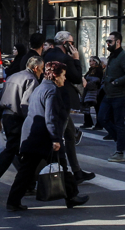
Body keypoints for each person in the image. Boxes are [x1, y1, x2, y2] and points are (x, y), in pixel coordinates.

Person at [6, 61, 89, 211]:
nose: (65, 79)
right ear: (56, 76)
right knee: (33, 169)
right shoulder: (51, 91)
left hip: (33, 135)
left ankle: (71, 197)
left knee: (35, 169)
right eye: (63, 75)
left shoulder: (40, 88)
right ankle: (13, 201)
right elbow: (50, 117)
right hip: (42, 137)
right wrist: (55, 139)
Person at [0, 56, 44, 202]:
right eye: (42, 69)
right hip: (18, 119)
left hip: (7, 117)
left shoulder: (13, 76)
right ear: (36, 68)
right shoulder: (31, 80)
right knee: (13, 152)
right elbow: (27, 105)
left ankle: (28, 183)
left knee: (18, 152)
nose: (42, 72)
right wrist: (32, 124)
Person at [42, 31, 94, 181]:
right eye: (71, 43)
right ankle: (60, 172)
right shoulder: (66, 58)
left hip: (48, 95)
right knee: (57, 137)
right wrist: (76, 59)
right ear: (65, 44)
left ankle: (76, 171)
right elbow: (77, 77)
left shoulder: (49, 54)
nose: (73, 45)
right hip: (61, 100)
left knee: (70, 134)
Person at [100, 31, 125, 162]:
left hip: (121, 95)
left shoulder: (124, 56)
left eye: (110, 41)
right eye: (107, 41)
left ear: (118, 42)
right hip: (109, 94)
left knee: (118, 122)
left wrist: (116, 81)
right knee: (102, 118)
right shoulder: (112, 56)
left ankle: (120, 152)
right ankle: (121, 140)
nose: (108, 43)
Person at [81, 57, 103, 129]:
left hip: (95, 91)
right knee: (86, 106)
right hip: (89, 91)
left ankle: (98, 124)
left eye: (92, 61)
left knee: (97, 108)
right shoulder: (91, 70)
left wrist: (87, 83)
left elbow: (96, 80)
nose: (90, 62)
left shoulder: (98, 70)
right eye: (90, 61)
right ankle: (88, 122)